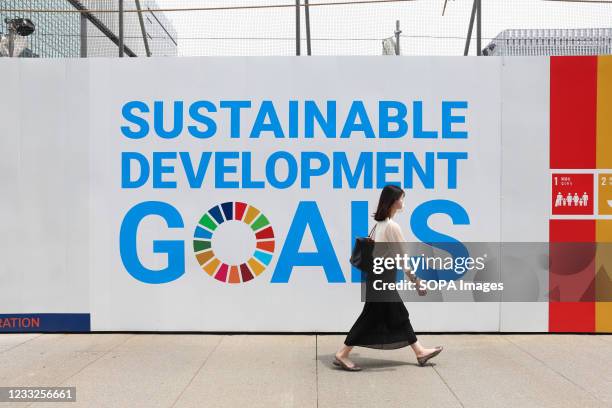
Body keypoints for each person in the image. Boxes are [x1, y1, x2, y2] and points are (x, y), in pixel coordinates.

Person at [334, 185, 443, 371]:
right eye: (401, 198)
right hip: (383, 279)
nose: (403, 201)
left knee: (397, 314)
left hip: (378, 277)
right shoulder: (392, 227)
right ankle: (342, 354)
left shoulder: (379, 224)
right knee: (371, 316)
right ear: (393, 201)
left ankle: (419, 352)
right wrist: (416, 281)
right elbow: (402, 259)